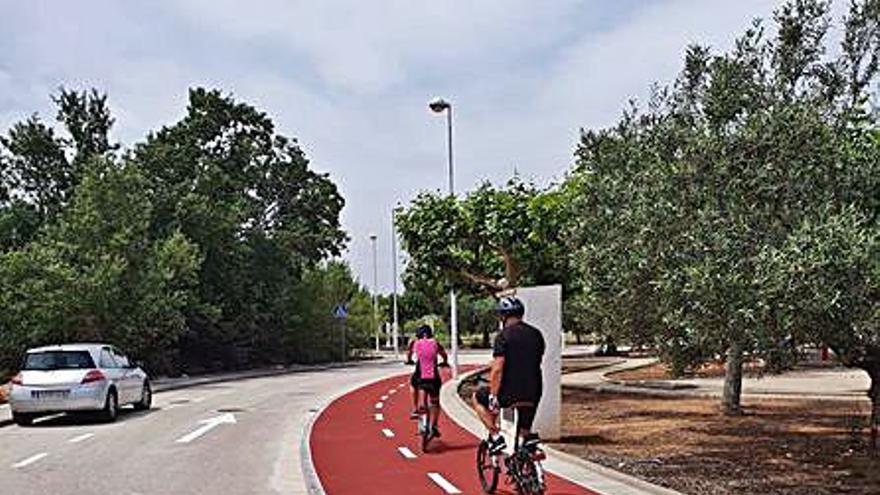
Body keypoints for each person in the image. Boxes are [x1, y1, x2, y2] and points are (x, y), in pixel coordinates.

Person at [472, 296, 545, 454]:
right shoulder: (536, 334)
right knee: (524, 431)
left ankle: (496, 436)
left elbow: (498, 369)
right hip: (534, 390)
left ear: (503, 316)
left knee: (477, 397)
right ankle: (528, 456)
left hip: (509, 392)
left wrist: (493, 395)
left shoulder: (503, 336)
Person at [406, 324, 448, 438]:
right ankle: (434, 425)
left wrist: (409, 360)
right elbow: (444, 354)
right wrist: (444, 362)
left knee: (412, 384)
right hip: (434, 378)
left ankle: (415, 409)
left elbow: (409, 354)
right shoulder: (435, 343)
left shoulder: (415, 343)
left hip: (420, 377)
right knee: (435, 402)